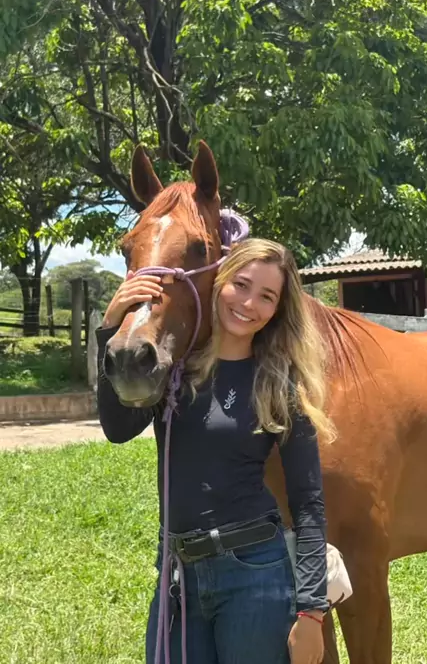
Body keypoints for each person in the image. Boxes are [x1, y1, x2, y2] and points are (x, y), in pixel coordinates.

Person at [96, 238, 335, 664]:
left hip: (254, 574)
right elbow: (117, 429)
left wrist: (312, 613)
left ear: (278, 309)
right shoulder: (172, 373)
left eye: (267, 296)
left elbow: (308, 504)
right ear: (219, 282)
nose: (249, 303)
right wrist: (110, 329)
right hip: (178, 577)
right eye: (241, 285)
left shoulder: (278, 384)